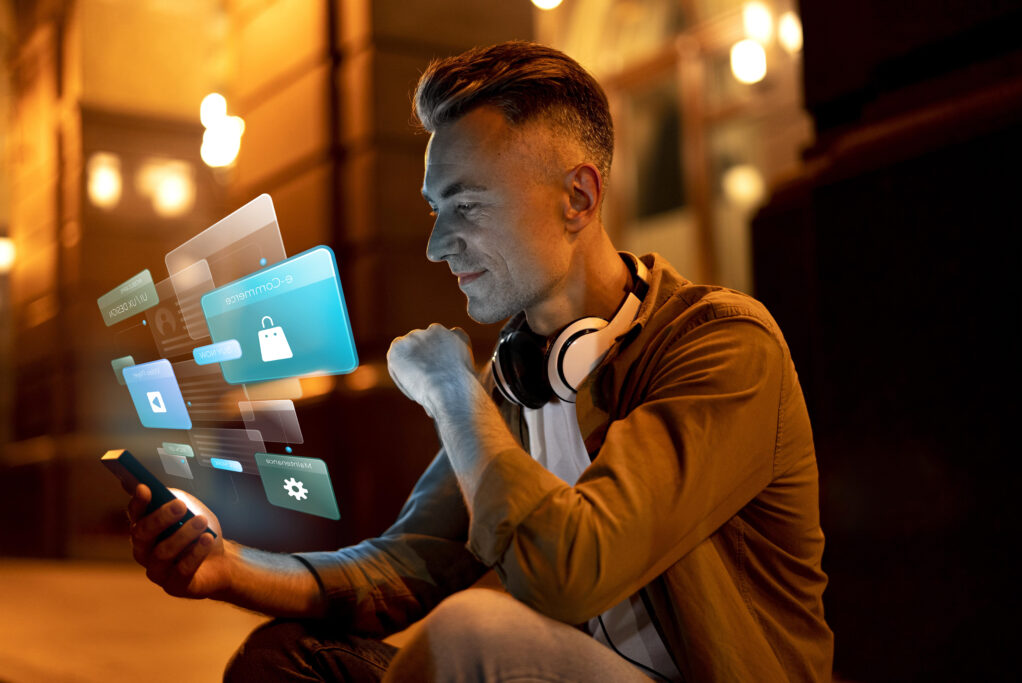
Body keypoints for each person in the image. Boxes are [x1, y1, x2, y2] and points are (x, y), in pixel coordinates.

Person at [125, 41, 833, 681]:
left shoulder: (723, 345)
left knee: (475, 632)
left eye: (465, 206)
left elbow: (572, 571)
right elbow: (406, 562)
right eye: (435, 209)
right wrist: (228, 568)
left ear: (578, 197)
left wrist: (449, 390)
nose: (437, 246)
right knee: (287, 660)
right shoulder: (520, 372)